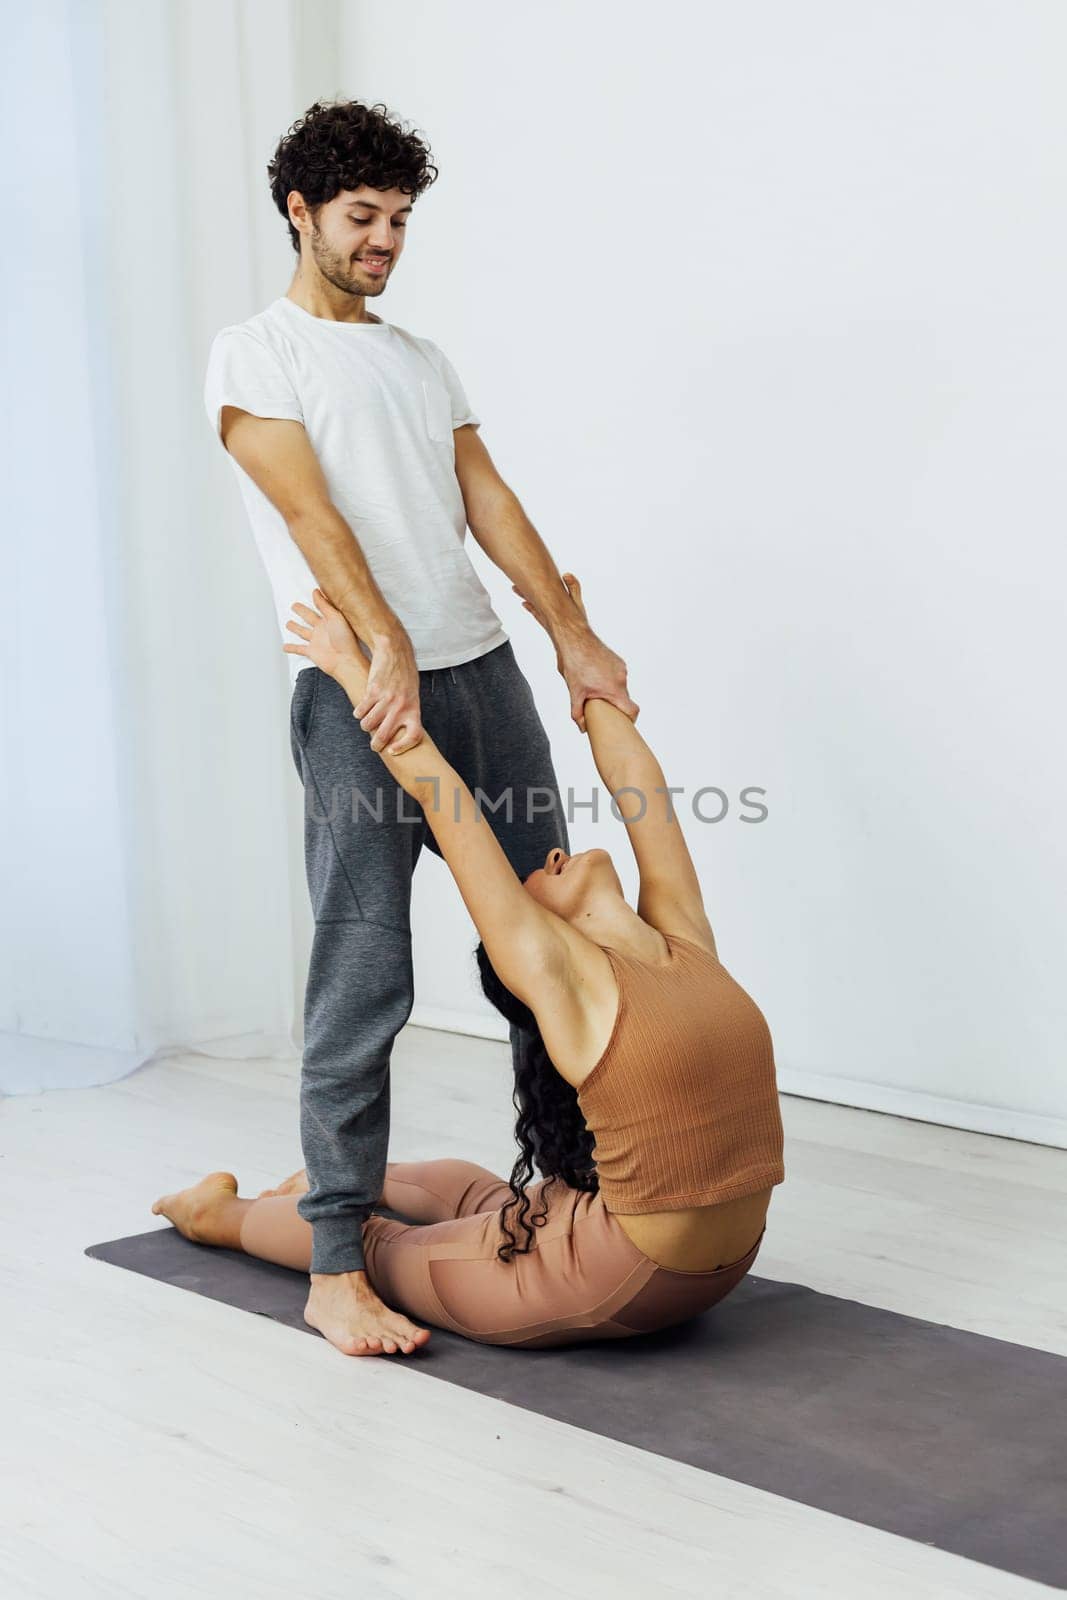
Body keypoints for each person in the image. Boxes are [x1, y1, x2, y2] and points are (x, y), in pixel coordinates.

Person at [201, 98, 638, 1357]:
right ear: (300, 211)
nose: (385, 240)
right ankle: (333, 1259)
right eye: (362, 218)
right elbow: (305, 512)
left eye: (399, 219)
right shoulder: (256, 352)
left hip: (481, 676)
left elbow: (484, 498)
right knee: (365, 972)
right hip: (355, 691)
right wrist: (380, 638)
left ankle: (574, 1187)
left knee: (543, 943)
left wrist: (566, 630)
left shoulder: (418, 357)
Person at [152, 576, 786, 1355]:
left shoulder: (682, 943)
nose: (545, 856)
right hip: (624, 1270)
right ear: (538, 934)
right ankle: (210, 1212)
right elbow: (445, 798)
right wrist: (355, 674)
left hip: (643, 1270)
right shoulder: (564, 978)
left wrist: (580, 658)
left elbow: (639, 789)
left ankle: (301, 1188)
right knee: (377, 1247)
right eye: (532, 882)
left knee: (462, 1189)